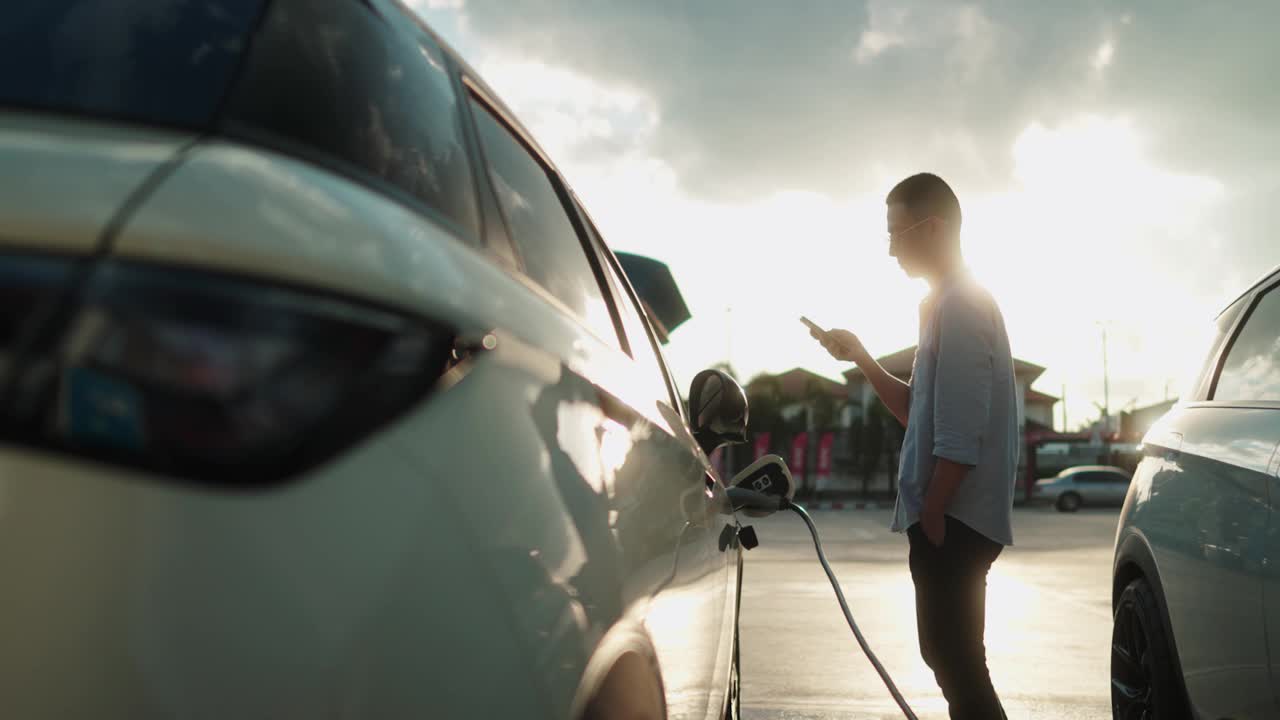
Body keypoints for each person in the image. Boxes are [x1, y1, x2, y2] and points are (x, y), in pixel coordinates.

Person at [812, 173, 1016, 719]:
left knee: (958, 664)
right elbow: (917, 413)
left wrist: (933, 509)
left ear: (934, 228)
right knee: (950, 659)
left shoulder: (962, 304)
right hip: (949, 513)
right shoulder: (941, 304)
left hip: (955, 516)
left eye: (897, 233)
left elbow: (962, 427)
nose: (892, 248)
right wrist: (860, 355)